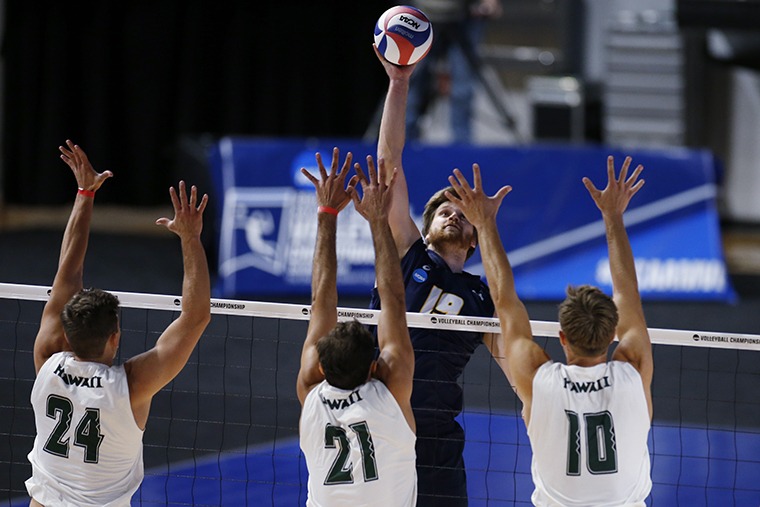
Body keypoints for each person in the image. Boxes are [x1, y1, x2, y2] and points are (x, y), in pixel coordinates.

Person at [446, 156, 653, 506]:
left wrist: (484, 223)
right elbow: (628, 294)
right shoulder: (633, 371)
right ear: (613, 333)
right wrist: (613, 216)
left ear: (562, 337)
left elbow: (505, 301)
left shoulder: (539, 379)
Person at [26, 140, 211, 507]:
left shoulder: (47, 359)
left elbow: (68, 273)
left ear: (66, 332)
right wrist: (190, 239)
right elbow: (195, 318)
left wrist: (84, 192)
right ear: (115, 337)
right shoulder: (131, 386)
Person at [373, 44, 509, 506]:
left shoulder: (483, 298)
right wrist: (399, 82)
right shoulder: (410, 255)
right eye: (443, 211)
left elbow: (517, 365)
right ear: (425, 229)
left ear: (474, 239)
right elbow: (389, 164)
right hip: (382, 414)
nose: (453, 216)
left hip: (437, 433)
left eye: (463, 216)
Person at [297, 148, 417, 506]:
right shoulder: (391, 391)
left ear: (320, 367)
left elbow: (321, 298)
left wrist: (327, 213)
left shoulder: (310, 390)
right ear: (374, 367)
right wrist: (378, 220)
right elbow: (394, 298)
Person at [406, 0, 503, 143]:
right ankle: (403, 143)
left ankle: (461, 148)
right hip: (422, 14)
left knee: (462, 88)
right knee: (409, 81)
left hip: (465, 17)